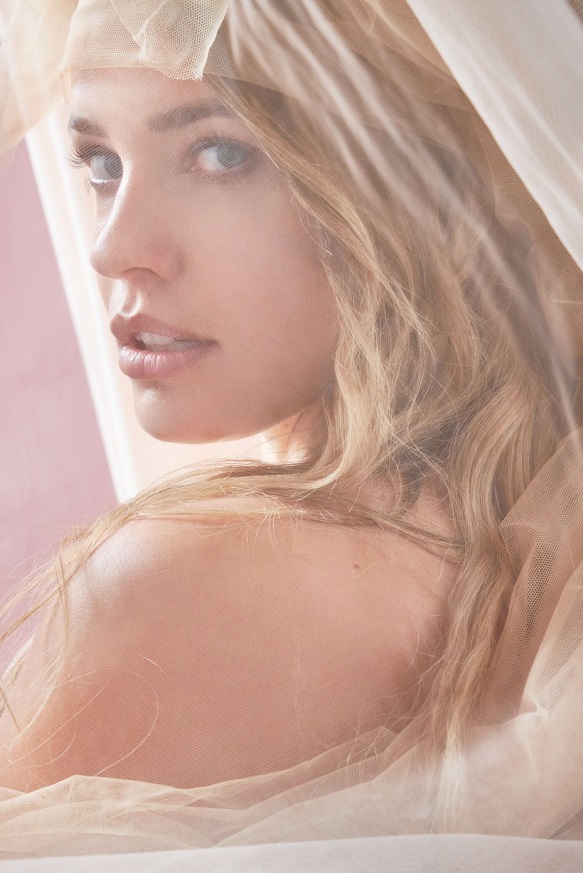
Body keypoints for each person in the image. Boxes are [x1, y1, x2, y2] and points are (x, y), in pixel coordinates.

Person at [0, 0, 582, 866]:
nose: (114, 249)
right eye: (100, 163)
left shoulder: (184, 586)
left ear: (438, 188)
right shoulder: (540, 594)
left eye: (221, 153)